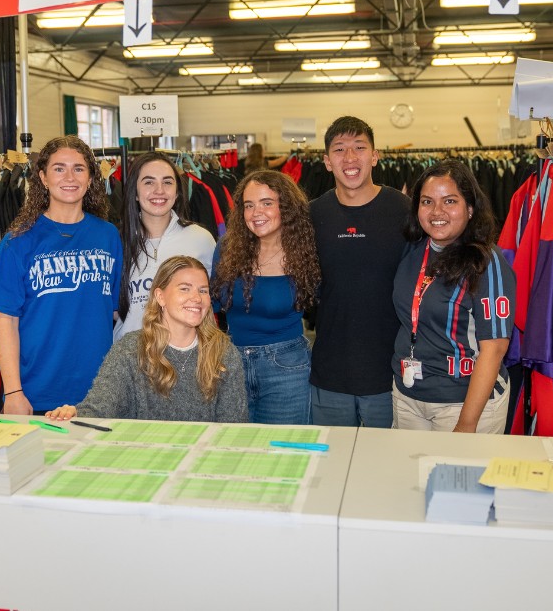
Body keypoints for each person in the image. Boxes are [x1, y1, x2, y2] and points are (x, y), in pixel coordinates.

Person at [0, 135, 122, 415]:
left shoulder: (108, 235)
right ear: (44, 178)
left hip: (99, 395)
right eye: (59, 168)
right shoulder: (17, 241)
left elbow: (112, 313)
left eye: (79, 168)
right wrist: (13, 392)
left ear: (91, 177)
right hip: (36, 395)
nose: (69, 177)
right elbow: (6, 322)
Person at [391, 159, 516, 433]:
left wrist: (467, 423)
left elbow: (494, 349)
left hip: (463, 403)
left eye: (449, 201)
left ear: (470, 208)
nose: (437, 211)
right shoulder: (412, 250)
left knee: (458, 476)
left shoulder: (486, 262)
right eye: (426, 202)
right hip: (408, 396)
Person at [47, 256, 247, 422]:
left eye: (203, 290)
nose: (196, 298)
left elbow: (233, 429)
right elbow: (100, 406)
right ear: (160, 297)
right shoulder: (130, 349)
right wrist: (76, 414)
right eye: (185, 288)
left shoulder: (224, 352)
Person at [309, 116, 411, 428]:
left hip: (390, 374)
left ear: (375, 155)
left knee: (386, 468)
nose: (350, 158)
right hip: (329, 373)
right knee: (331, 465)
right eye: (340, 150)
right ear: (327, 162)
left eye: (359, 148)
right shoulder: (311, 214)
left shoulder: (403, 209)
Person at [212, 170, 321, 424]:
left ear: (286, 207)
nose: (256, 212)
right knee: (233, 452)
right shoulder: (228, 248)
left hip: (287, 369)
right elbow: (212, 306)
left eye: (267, 203)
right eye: (249, 205)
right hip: (231, 363)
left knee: (282, 453)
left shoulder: (304, 251)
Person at [115, 151, 215, 341]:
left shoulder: (200, 239)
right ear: (135, 192)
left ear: (177, 192)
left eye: (167, 182)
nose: (159, 190)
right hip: (130, 360)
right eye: (149, 182)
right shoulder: (116, 242)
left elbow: (211, 302)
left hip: (186, 359)